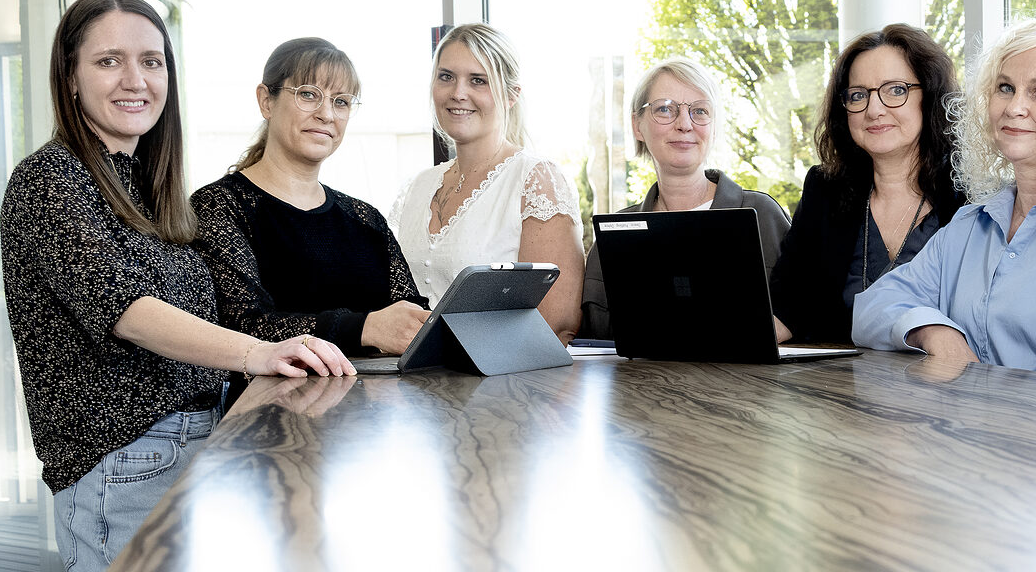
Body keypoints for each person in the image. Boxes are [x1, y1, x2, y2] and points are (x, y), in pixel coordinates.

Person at [0, 0, 354, 572]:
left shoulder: (149, 188)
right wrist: (258, 354)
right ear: (70, 77)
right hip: (124, 466)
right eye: (109, 61)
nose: (136, 80)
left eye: (152, 61)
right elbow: (128, 310)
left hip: (195, 447)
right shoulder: (50, 179)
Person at [851, 18, 1036, 374]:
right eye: (1005, 88)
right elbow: (870, 309)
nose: (1014, 107)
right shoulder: (970, 223)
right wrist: (933, 331)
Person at [191, 38, 430, 374]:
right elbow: (241, 325)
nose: (326, 114)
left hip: (376, 402)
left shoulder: (366, 220)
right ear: (266, 101)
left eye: (341, 101)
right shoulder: (218, 206)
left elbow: (410, 319)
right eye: (308, 94)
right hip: (270, 403)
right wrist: (365, 328)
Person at [768, 23, 966, 344]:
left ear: (930, 97)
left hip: (943, 374)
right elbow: (788, 304)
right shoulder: (825, 190)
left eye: (896, 90)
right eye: (858, 95)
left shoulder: (971, 196)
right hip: (839, 374)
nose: (874, 110)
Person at [392, 23, 584, 341]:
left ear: (511, 95)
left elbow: (556, 324)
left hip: (501, 372)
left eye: (478, 80)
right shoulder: (416, 187)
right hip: (405, 371)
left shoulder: (535, 180)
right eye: (446, 76)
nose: (458, 93)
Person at [579, 58, 791, 339]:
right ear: (637, 125)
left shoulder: (763, 216)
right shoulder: (613, 236)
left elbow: (809, 315)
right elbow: (594, 340)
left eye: (699, 111)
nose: (684, 124)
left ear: (713, 126)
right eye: (665, 109)